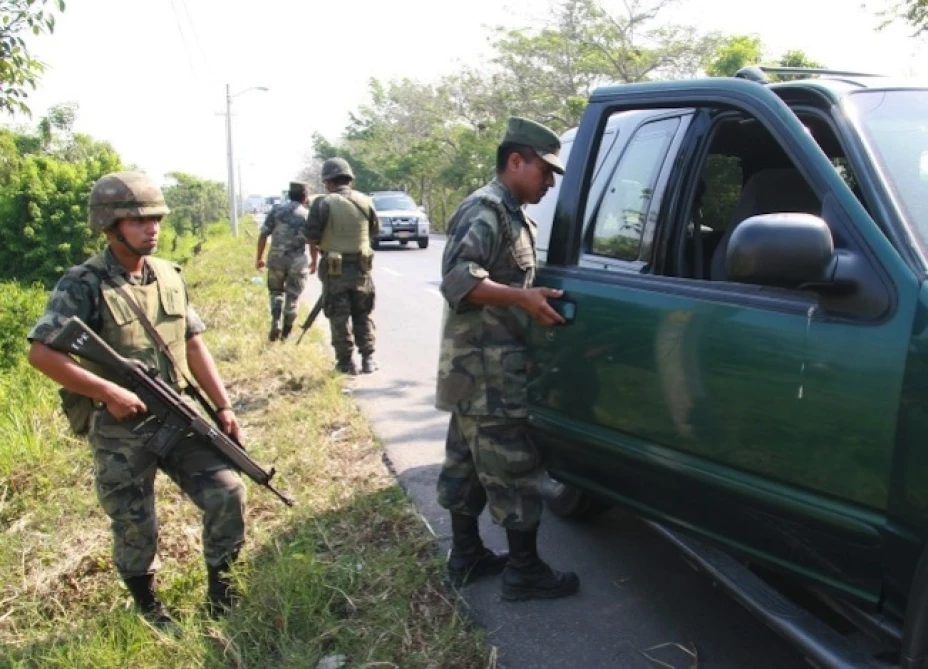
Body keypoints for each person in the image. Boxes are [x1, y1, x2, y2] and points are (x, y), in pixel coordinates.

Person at [26, 171, 247, 629]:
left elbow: (192, 343)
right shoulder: (83, 283)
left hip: (177, 415)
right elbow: (42, 353)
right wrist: (106, 391)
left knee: (228, 492)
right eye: (139, 220)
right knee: (133, 520)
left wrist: (223, 406)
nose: (153, 229)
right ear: (110, 226)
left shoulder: (169, 275)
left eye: (157, 220)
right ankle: (148, 607)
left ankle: (222, 597)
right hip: (120, 427)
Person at [435, 117, 579, 601]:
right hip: (487, 372)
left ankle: (466, 555)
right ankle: (524, 571)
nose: (549, 182)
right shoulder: (487, 209)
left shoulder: (512, 212)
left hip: (472, 369)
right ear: (515, 161)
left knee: (468, 463)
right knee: (513, 466)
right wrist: (522, 299)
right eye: (544, 171)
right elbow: (458, 278)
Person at [306, 158, 379, 375]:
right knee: (362, 313)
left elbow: (311, 235)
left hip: (334, 270)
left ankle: (346, 363)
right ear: (349, 179)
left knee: (339, 317)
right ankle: (368, 358)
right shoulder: (366, 201)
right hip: (361, 269)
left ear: (328, 181)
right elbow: (375, 230)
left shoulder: (323, 203)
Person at [255, 181, 311, 342]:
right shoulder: (306, 214)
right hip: (297, 261)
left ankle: (275, 321)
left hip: (276, 259)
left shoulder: (276, 210)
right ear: (304, 196)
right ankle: (285, 335)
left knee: (275, 293)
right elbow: (313, 241)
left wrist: (259, 258)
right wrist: (314, 260)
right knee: (293, 297)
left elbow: (264, 235)